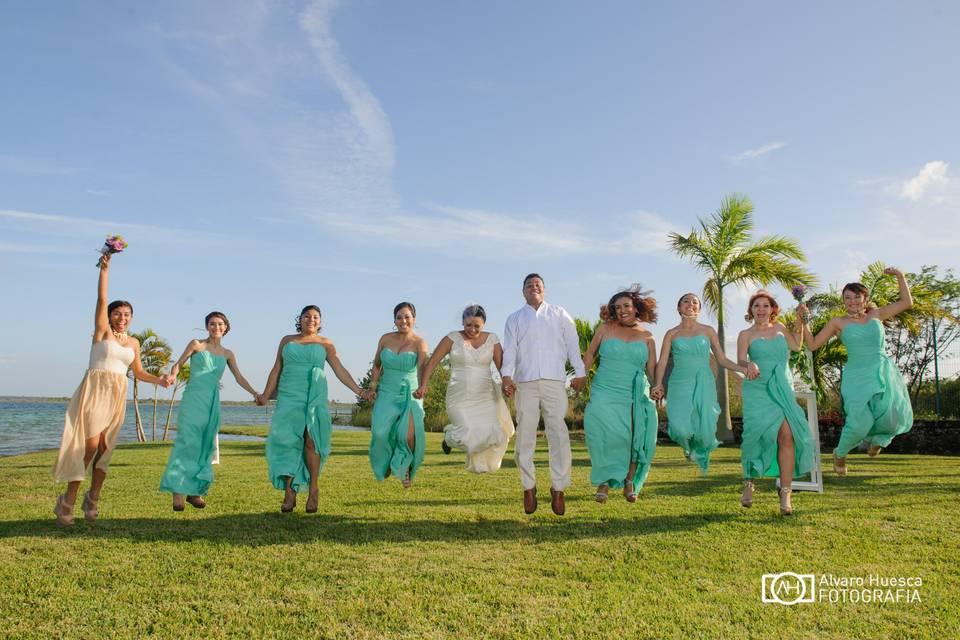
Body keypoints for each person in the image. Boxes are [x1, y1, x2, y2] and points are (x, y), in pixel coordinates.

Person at [52, 253, 171, 525]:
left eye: (127, 314)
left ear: (131, 318)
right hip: (95, 390)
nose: (122, 317)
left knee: (105, 449)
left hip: (118, 393)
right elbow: (102, 299)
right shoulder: (101, 332)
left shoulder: (133, 343)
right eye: (117, 313)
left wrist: (160, 381)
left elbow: (138, 372)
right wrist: (105, 269)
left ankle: (92, 499)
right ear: (109, 316)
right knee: (89, 447)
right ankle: (66, 500)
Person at [799, 267, 914, 475]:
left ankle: (878, 439)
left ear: (864, 298)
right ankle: (840, 453)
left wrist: (900, 276)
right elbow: (813, 344)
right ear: (843, 300)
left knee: (892, 415)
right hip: (856, 376)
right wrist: (805, 323)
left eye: (856, 297)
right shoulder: (838, 322)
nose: (852, 301)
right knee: (860, 422)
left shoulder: (877, 314)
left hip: (881, 371)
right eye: (847, 298)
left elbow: (907, 303)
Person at [259, 305, 370, 513]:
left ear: (320, 321)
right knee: (288, 441)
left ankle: (313, 489)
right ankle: (289, 492)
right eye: (307, 316)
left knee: (311, 440)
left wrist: (359, 391)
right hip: (289, 394)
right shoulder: (287, 340)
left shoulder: (326, 344)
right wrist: (266, 394)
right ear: (299, 319)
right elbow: (276, 369)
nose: (311, 319)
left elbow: (340, 370)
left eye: (315, 317)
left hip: (314, 394)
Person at [501, 274, 586, 516]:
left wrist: (580, 372)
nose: (533, 287)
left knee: (557, 433)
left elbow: (572, 343)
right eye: (529, 285)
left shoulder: (560, 313)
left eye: (537, 284)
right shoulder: (514, 319)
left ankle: (558, 489)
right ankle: (528, 487)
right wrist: (506, 376)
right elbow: (510, 350)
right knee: (525, 434)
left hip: (554, 380)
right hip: (525, 382)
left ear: (544, 289)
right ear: (523, 291)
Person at [159, 311, 261, 511]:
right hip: (194, 397)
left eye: (220, 324)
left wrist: (255, 393)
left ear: (226, 327)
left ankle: (196, 492)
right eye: (212, 324)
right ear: (207, 326)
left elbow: (239, 378)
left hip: (212, 401)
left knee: (205, 445)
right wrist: (172, 375)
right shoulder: (197, 344)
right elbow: (178, 364)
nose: (216, 327)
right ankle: (178, 491)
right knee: (188, 442)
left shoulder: (228, 354)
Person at [651, 293, 759, 475]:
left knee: (705, 431)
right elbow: (662, 362)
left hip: (704, 381)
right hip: (679, 383)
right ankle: (687, 445)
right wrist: (658, 384)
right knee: (679, 428)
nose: (690, 304)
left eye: (695, 302)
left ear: (699, 309)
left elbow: (722, 359)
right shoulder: (671, 333)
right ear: (678, 308)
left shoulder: (708, 331)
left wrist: (742, 369)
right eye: (685, 301)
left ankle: (698, 449)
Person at [737, 290, 813, 516]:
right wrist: (747, 364)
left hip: (781, 387)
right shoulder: (745, 334)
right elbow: (741, 359)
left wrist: (800, 320)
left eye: (765, 306)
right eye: (756, 306)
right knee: (755, 435)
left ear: (772, 310)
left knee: (787, 436)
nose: (761, 309)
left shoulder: (780, 328)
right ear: (751, 310)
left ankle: (786, 492)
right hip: (758, 388)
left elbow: (797, 346)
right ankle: (749, 482)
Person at [415, 304, 515, 473]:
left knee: (495, 434)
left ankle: (478, 460)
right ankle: (449, 438)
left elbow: (502, 368)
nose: (472, 329)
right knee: (466, 433)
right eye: (468, 325)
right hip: (458, 395)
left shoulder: (493, 339)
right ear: (462, 322)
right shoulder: (452, 338)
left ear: (484, 323)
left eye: (477, 326)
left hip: (485, 395)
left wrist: (508, 384)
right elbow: (432, 363)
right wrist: (423, 384)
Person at [581, 289, 658, 503]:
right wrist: (582, 376)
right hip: (604, 388)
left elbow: (651, 370)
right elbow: (590, 353)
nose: (621, 310)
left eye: (626, 306)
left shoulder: (647, 337)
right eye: (617, 307)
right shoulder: (606, 328)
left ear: (635, 308)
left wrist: (657, 386)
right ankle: (604, 480)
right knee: (600, 433)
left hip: (633, 391)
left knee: (633, 436)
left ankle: (629, 480)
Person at [368, 302, 428, 487]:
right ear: (394, 320)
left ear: (414, 319)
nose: (403, 321)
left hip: (410, 392)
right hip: (386, 392)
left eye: (407, 317)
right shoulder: (385, 339)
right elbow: (377, 364)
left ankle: (405, 467)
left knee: (408, 435)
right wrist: (373, 387)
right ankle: (385, 463)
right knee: (379, 433)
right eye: (399, 317)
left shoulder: (419, 342)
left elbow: (423, 367)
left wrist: (423, 386)